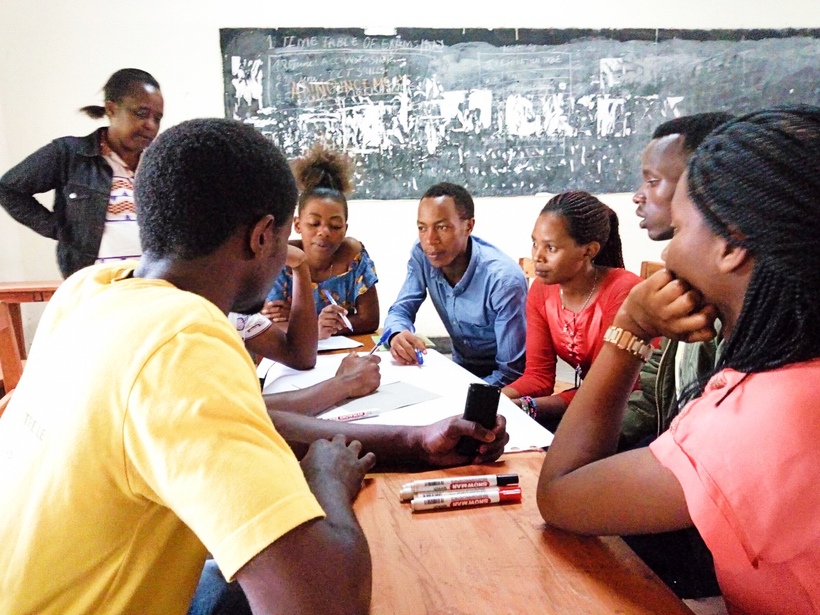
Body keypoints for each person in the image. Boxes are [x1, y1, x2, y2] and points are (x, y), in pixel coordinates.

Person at [0, 118, 508, 615]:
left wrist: (414, 441)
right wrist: (326, 481)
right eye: (291, 231)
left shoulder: (87, 292)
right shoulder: (183, 340)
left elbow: (247, 424)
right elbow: (325, 604)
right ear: (264, 235)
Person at [537, 106, 820, 615]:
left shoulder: (765, 413)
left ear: (732, 244)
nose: (668, 255)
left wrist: (631, 326)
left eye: (684, 226)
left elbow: (560, 495)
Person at [623, 112, 734, 450]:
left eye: (652, 181)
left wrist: (628, 326)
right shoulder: (684, 286)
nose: (638, 196)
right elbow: (653, 396)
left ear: (701, 184)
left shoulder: (733, 301)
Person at [0, 68, 164, 278]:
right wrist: (59, 229)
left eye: (157, 118)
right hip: (94, 287)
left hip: (151, 285)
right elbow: (8, 188)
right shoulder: (69, 154)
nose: (150, 125)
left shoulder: (158, 163)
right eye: (141, 113)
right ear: (111, 109)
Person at [501, 191, 641, 431]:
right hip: (589, 403)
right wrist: (494, 400)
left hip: (634, 410)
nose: (537, 256)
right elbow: (538, 377)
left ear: (589, 251)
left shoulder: (622, 291)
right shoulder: (541, 291)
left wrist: (526, 407)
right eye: (535, 243)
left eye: (551, 248)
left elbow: (604, 391)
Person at [383, 182, 527, 386]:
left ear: (468, 226)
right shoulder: (423, 255)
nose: (430, 240)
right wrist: (396, 334)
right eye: (422, 228)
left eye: (442, 227)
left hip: (504, 385)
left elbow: (512, 372)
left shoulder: (502, 281)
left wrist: (460, 395)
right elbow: (400, 310)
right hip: (459, 370)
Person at [263, 143, 379, 340]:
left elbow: (370, 320)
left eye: (335, 226)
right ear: (298, 225)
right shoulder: (283, 259)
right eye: (314, 223)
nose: (324, 232)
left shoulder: (354, 258)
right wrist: (317, 327)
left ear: (345, 229)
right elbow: (272, 325)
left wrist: (319, 328)